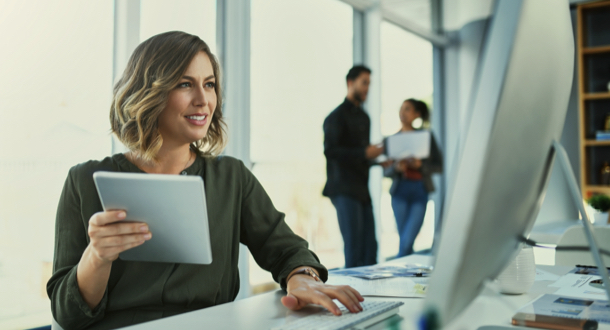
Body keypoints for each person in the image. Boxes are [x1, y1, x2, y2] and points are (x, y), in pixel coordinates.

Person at [46, 31, 364, 330]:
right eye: (185, 84)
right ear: (149, 91)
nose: (203, 100)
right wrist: (97, 256)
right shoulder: (84, 181)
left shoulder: (231, 178)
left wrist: (302, 276)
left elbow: (286, 249)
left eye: (209, 84)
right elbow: (66, 315)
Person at [322, 65, 384, 269]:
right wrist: (365, 153)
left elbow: (361, 157)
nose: (367, 88)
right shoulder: (335, 117)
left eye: (369, 84)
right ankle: (353, 299)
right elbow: (331, 152)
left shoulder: (365, 118)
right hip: (344, 189)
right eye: (364, 82)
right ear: (351, 83)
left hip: (362, 191)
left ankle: (371, 299)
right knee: (354, 249)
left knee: (370, 250)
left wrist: (378, 160)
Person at [384, 99, 442, 257]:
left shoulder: (426, 137)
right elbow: (385, 172)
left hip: (420, 191)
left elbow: (439, 166)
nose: (402, 113)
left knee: (407, 240)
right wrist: (396, 168)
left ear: (416, 114)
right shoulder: (391, 140)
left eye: (407, 109)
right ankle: (405, 275)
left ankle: (398, 269)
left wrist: (420, 165)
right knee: (405, 241)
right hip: (399, 192)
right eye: (401, 109)